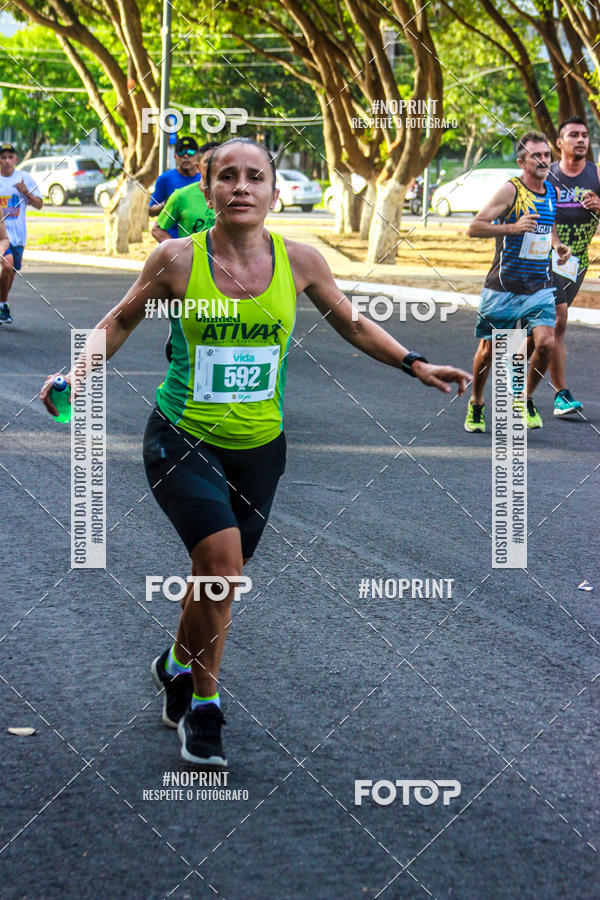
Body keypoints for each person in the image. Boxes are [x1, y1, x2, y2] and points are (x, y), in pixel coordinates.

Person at [41, 138, 470, 768]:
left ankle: (174, 664)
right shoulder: (176, 260)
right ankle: (206, 706)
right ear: (206, 191)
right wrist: (77, 372)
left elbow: (352, 322)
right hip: (181, 435)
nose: (242, 187)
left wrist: (415, 363)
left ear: (274, 192)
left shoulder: (300, 262)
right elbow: (121, 320)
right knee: (222, 566)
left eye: (255, 178)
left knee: (214, 580)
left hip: (261, 448)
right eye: (227, 177)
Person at [464, 131, 570, 433]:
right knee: (489, 351)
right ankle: (477, 402)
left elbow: (545, 228)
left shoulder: (553, 192)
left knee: (546, 343)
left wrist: (557, 247)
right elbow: (474, 228)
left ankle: (522, 398)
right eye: (536, 156)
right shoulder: (510, 191)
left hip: (538, 286)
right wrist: (512, 227)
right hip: (504, 286)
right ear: (521, 160)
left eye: (547, 155)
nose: (543, 160)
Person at [546, 116, 599, 416]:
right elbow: (540, 217)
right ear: (560, 143)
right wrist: (555, 244)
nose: (581, 140)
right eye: (574, 135)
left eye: (585, 135)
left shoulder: (596, 176)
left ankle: (521, 385)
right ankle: (561, 394)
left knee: (549, 330)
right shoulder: (549, 176)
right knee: (559, 319)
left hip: (577, 263)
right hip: (546, 259)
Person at [0, 144, 43, 324]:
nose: (7, 161)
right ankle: (3, 305)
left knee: (10, 273)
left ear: (16, 160)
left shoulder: (24, 179)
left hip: (18, 237)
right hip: (2, 236)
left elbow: (39, 204)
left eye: (10, 157)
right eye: (3, 157)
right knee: (7, 266)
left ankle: (3, 303)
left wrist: (26, 193)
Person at [151, 141, 220, 243]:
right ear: (198, 167)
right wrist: (178, 251)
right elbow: (157, 229)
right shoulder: (179, 194)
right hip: (189, 253)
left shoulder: (236, 195)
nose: (186, 156)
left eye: (191, 152)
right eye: (209, 161)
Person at [148, 136, 202, 236]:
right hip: (172, 239)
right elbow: (151, 211)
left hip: (198, 239)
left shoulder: (204, 179)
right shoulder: (165, 179)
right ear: (175, 156)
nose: (186, 156)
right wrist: (167, 204)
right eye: (181, 152)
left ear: (197, 155)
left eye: (190, 152)